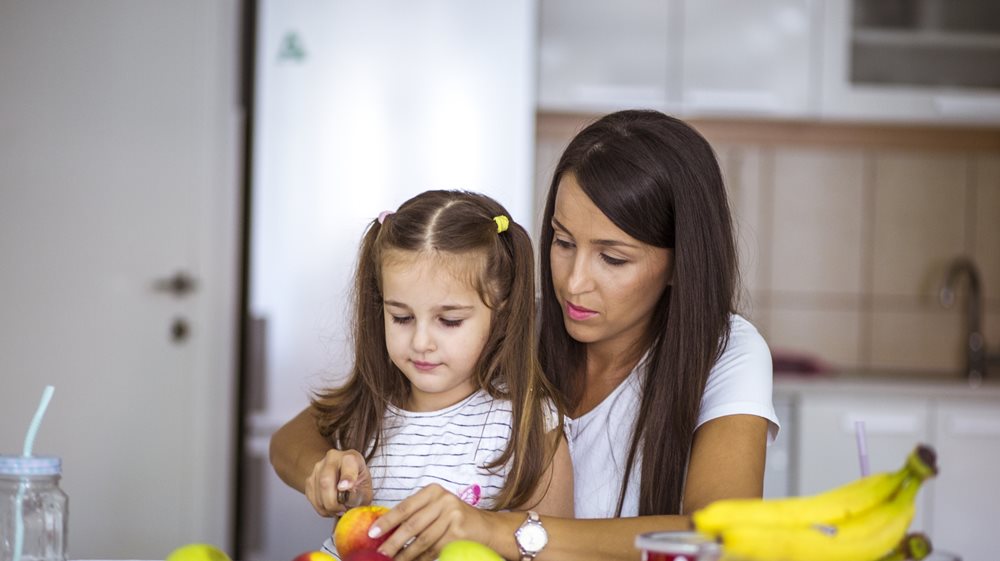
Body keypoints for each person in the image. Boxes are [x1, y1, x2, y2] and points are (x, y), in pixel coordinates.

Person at [271, 110, 779, 561]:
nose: (573, 283)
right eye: (562, 241)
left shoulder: (728, 351)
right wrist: (326, 471)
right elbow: (303, 433)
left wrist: (499, 529)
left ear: (678, 263)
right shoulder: (505, 327)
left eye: (613, 257)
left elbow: (719, 539)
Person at [275, 190, 574, 557]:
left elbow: (553, 547)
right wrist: (321, 470)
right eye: (401, 317)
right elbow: (283, 445)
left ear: (502, 315)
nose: (420, 342)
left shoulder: (529, 422)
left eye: (449, 321)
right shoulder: (370, 403)